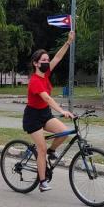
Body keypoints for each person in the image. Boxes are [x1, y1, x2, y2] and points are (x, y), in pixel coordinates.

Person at [24, 30, 76, 192]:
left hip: (44, 113)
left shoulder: (45, 73)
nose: (47, 62)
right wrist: (63, 111)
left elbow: (58, 57)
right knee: (41, 149)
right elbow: (47, 98)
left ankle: (52, 151)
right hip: (32, 117)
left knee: (64, 132)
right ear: (36, 63)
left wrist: (68, 42)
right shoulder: (34, 81)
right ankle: (42, 181)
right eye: (43, 60)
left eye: (47, 59)